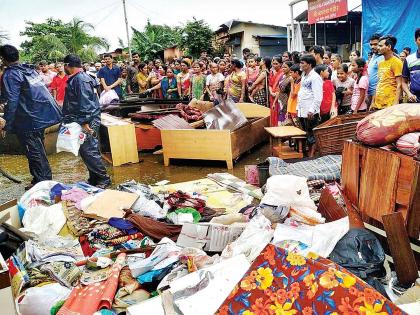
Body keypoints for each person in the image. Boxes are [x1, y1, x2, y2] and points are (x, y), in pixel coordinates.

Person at [0, 44, 61, 188]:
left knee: (34, 151)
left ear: (3, 59)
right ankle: (38, 179)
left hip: (29, 120)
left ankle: (43, 183)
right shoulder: (28, 69)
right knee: (36, 149)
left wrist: (6, 123)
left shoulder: (11, 74)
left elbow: (12, 100)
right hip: (41, 115)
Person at [62, 54, 110, 188]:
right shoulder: (80, 78)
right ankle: (94, 178)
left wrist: (84, 122)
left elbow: (85, 103)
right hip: (85, 118)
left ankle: (103, 179)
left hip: (87, 120)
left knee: (89, 150)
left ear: (67, 65)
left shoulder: (80, 80)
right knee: (85, 150)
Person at [297, 54, 323, 157]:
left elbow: (318, 96)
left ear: (309, 64)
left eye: (302, 63)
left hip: (310, 112)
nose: (300, 65)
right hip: (303, 110)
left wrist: (312, 110)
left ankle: (311, 156)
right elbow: (302, 92)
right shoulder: (304, 75)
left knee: (312, 134)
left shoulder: (315, 77)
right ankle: (307, 154)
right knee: (306, 133)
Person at [373, 35, 403, 109]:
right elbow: (378, 83)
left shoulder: (397, 62)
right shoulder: (380, 63)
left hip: (390, 104)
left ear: (389, 47)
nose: (378, 48)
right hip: (378, 104)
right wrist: (373, 102)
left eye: (380, 46)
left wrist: (395, 102)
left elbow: (400, 84)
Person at [402, 28, 420, 103]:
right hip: (414, 100)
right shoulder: (409, 59)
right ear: (415, 41)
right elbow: (403, 82)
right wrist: (409, 94)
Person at [366, 33, 384, 106]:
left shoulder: (383, 58)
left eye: (375, 44)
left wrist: (373, 100)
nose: (373, 47)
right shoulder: (374, 55)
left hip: (376, 94)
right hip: (369, 92)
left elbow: (381, 79)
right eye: (371, 44)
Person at [268, 56, 283, 126]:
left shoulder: (282, 73)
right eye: (273, 64)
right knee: (273, 112)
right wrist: (271, 92)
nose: (274, 65)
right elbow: (270, 84)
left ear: (281, 64)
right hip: (272, 95)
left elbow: (280, 86)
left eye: (276, 64)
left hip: (279, 96)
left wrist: (276, 93)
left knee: (278, 112)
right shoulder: (271, 72)